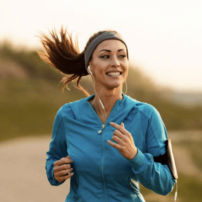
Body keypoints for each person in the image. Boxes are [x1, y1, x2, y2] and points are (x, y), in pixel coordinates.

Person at [39, 28, 176, 202]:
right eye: (105, 56)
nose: (116, 63)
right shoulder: (68, 115)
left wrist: (135, 155)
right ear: (90, 66)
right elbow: (53, 158)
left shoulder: (146, 115)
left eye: (122, 56)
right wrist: (54, 172)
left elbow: (166, 184)